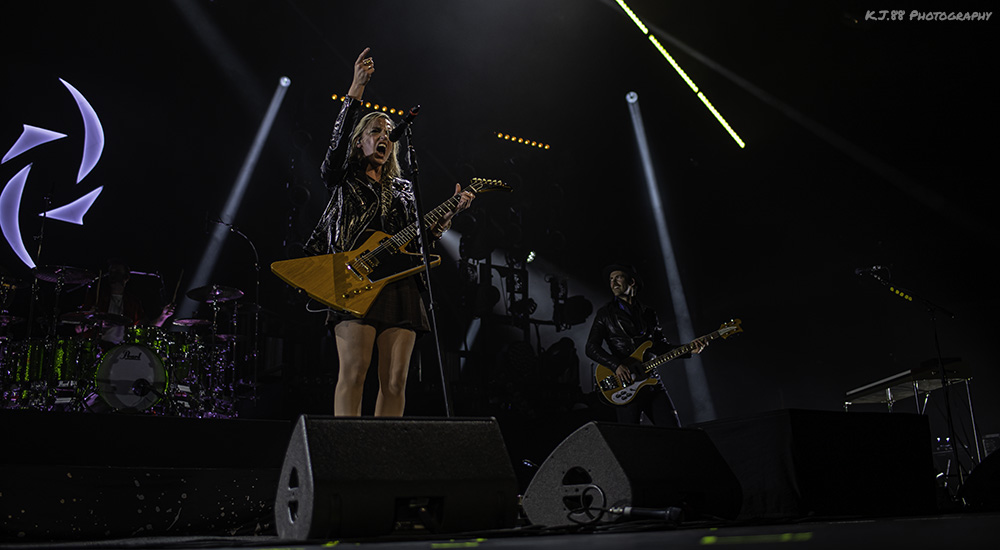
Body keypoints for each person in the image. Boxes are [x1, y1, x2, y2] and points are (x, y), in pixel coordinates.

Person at [304, 48, 474, 417]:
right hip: (355, 276)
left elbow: (417, 241)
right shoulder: (344, 176)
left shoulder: (404, 188)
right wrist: (357, 87)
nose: (383, 137)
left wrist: (446, 219)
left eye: (387, 133)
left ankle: (384, 456)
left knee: (396, 380)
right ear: (360, 140)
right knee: (354, 372)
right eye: (374, 131)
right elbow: (333, 152)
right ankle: (347, 454)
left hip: (400, 283)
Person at [585, 264, 705, 427]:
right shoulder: (605, 314)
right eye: (611, 279)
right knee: (631, 439)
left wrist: (689, 348)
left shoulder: (648, 313)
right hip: (625, 384)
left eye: (618, 277)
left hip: (651, 381)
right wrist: (617, 365)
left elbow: (661, 347)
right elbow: (591, 348)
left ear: (632, 281)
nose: (613, 283)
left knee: (674, 431)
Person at [74, 260, 175, 347]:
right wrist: (93, 320)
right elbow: (78, 329)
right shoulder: (96, 298)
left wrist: (163, 317)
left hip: (123, 351)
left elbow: (144, 329)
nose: (113, 275)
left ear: (126, 277)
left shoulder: (133, 302)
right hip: (97, 348)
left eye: (117, 272)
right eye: (111, 272)